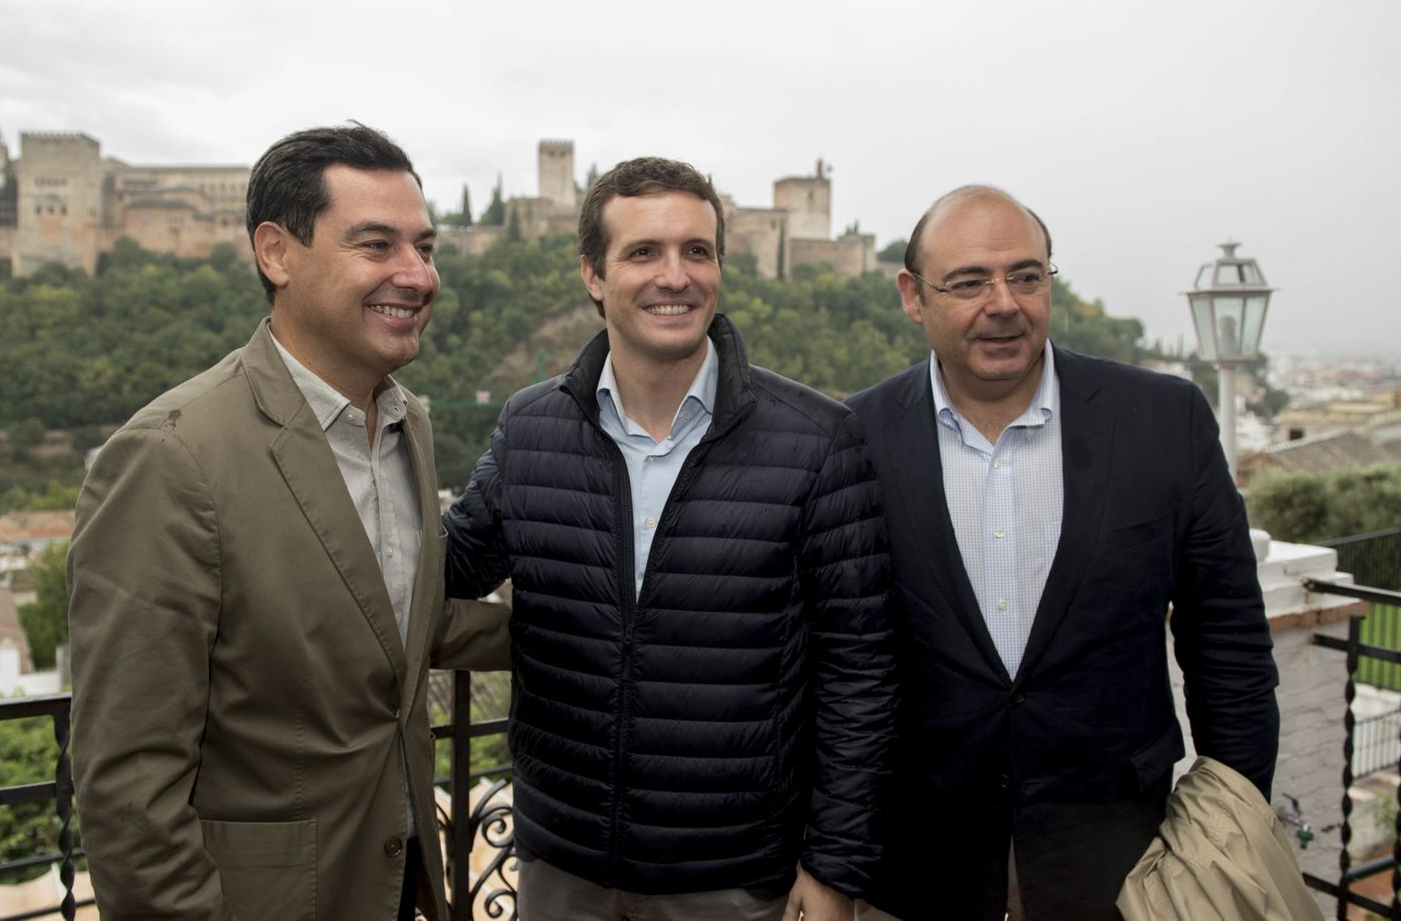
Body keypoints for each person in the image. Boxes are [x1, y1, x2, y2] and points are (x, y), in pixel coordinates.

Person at [68, 124, 511, 921]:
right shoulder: (170, 457)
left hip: (400, 884)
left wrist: (610, 625)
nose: (416, 275)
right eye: (377, 245)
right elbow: (128, 786)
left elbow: (393, 623)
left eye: (426, 247)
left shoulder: (408, 425)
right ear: (276, 253)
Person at [445, 156, 897, 921]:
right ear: (593, 274)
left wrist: (834, 869)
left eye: (697, 251)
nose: (675, 276)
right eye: (643, 252)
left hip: (731, 877)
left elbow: (861, 674)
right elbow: (450, 563)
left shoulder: (820, 441)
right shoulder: (532, 428)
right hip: (567, 866)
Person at [844, 185, 1279, 920]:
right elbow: (830, 666)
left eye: (1026, 275)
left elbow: (1228, 645)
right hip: (919, 867)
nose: (1004, 302)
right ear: (912, 297)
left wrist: (1227, 834)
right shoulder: (851, 438)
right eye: (970, 282)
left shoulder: (1164, 422)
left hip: (1126, 864)